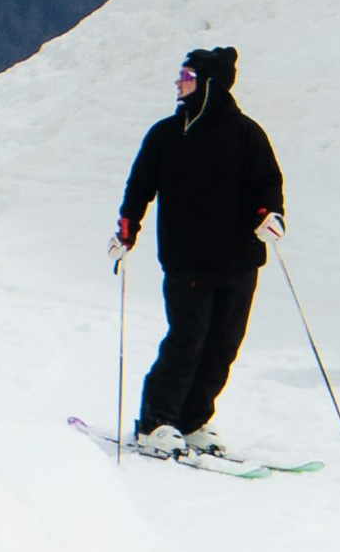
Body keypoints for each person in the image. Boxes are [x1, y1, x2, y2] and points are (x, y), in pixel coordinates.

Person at [109, 46, 286, 458]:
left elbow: (268, 182)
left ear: (208, 85)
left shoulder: (247, 134)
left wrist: (270, 213)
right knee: (188, 338)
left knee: (224, 344)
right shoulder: (165, 135)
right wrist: (126, 227)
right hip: (187, 260)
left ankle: (190, 420)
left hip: (240, 260)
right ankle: (155, 422)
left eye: (186, 76)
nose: (178, 83)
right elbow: (140, 187)